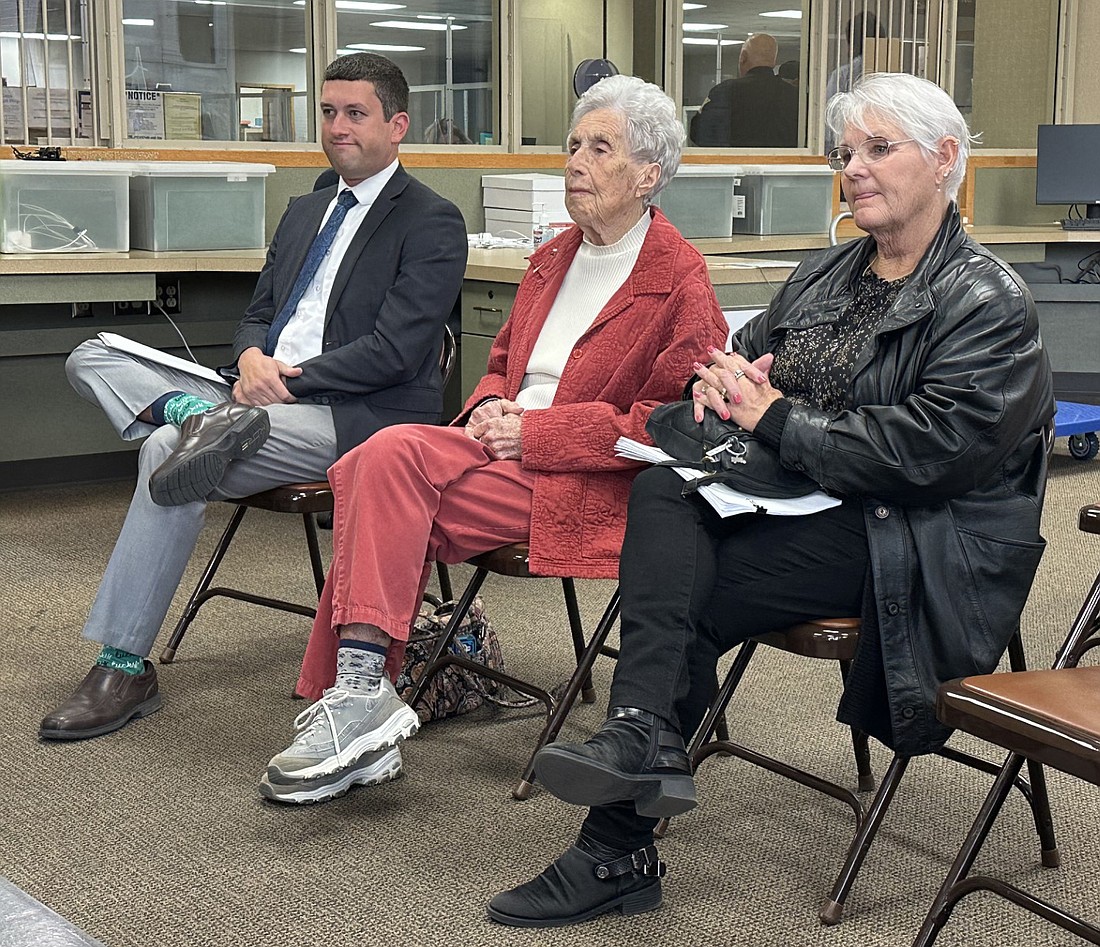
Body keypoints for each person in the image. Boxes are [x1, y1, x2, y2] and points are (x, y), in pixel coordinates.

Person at [489, 72, 1054, 927]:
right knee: (665, 496)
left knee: (683, 589)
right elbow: (735, 354)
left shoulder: (988, 302)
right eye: (844, 154)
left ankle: (614, 846)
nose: (853, 169)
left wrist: (779, 417)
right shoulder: (830, 272)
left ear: (945, 160)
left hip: (919, 533)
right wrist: (714, 376)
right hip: (802, 499)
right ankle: (643, 731)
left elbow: (928, 454)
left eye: (877, 149)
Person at [258, 74, 730, 805]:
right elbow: (503, 363)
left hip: (581, 477)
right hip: (497, 451)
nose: (574, 159)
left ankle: (357, 696)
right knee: (378, 471)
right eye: (573, 144)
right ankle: (362, 706)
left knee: (376, 472)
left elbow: (665, 424)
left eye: (599, 148)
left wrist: (533, 430)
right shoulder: (552, 257)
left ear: (648, 173)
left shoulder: (682, 282)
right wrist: (485, 406)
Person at [38, 53, 468, 742]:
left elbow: (396, 351)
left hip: (346, 416)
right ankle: (199, 414)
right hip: (252, 396)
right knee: (94, 354)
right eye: (328, 112)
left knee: (160, 448)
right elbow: (257, 313)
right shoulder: (304, 210)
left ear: (397, 124)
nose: (337, 127)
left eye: (355, 114)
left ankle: (123, 662)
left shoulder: (431, 221)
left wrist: (284, 381)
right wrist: (247, 358)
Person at [689, 33, 798, 148]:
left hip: (734, 162)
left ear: (743, 57)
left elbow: (699, 132)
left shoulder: (725, 91)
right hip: (784, 164)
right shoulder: (794, 96)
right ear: (774, 61)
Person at [825, 12, 884, 153]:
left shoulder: (843, 75)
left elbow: (829, 124)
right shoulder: (897, 74)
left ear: (851, 41)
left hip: (849, 148)